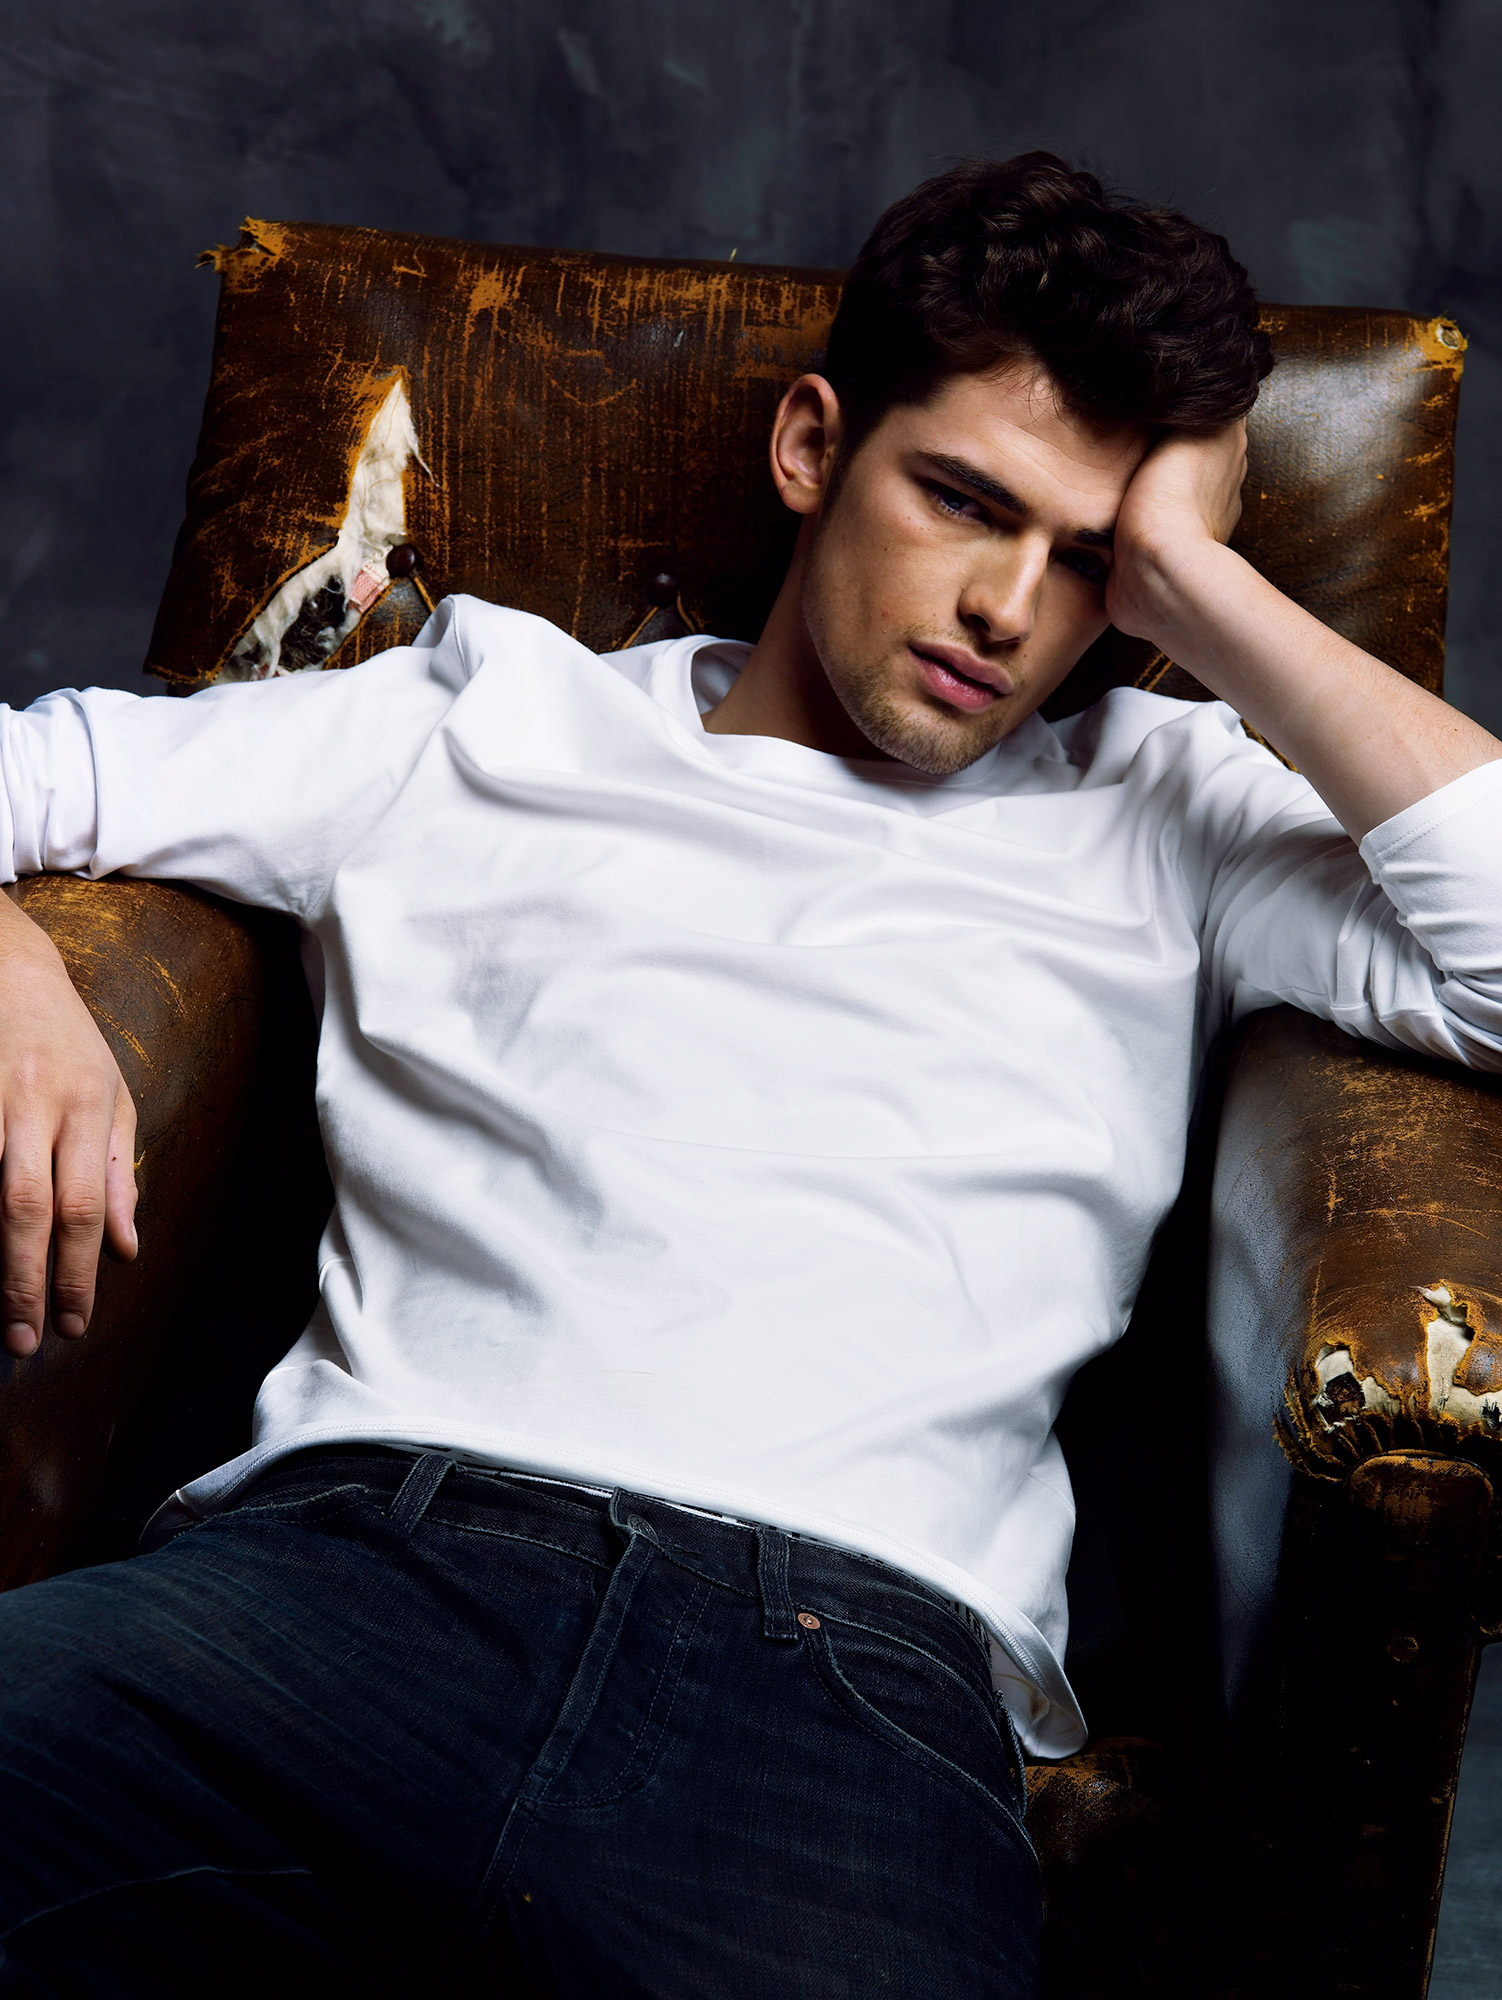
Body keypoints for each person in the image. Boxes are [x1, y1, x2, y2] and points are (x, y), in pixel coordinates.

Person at [0, 151, 1498, 1996]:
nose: (1005, 609)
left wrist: (1198, 587)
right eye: (962, 501)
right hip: (344, 1584)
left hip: (838, 1684)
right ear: (811, 447)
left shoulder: (1169, 808)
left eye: (1086, 560)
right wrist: (10, 960)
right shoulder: (481, 712)